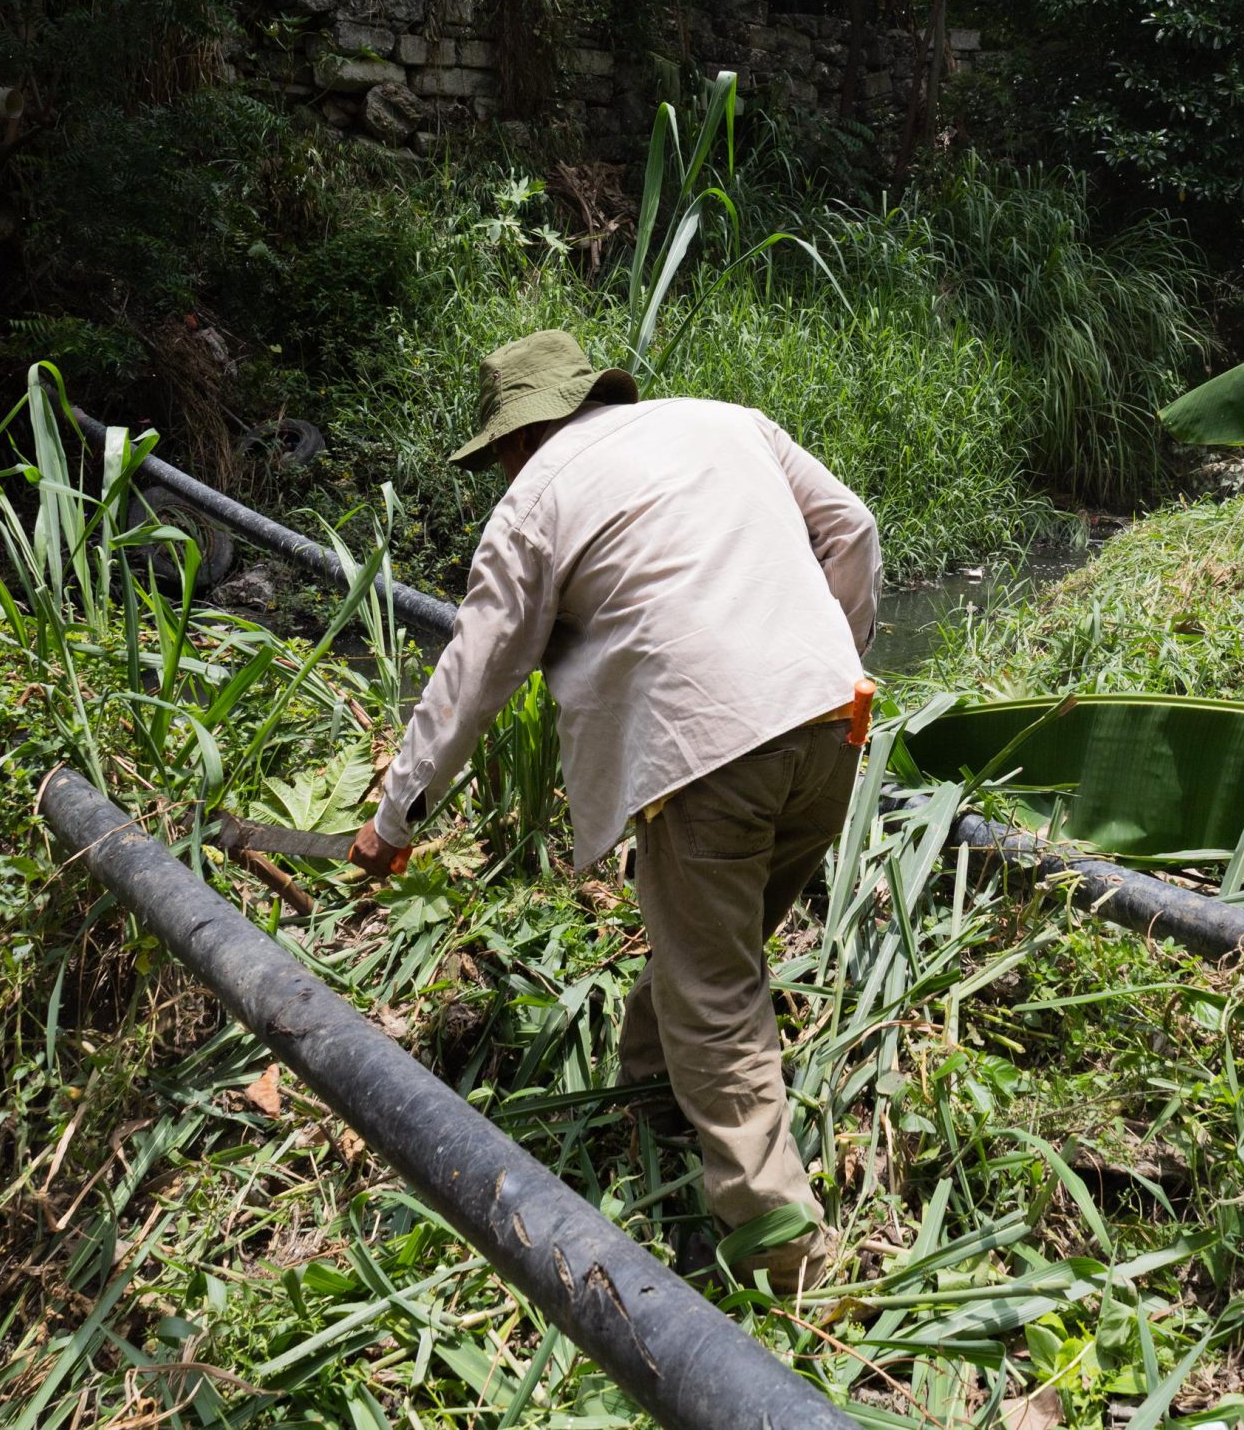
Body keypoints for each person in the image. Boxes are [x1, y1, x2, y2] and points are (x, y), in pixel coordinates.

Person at [347, 328, 880, 1295]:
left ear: (519, 436)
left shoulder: (533, 501)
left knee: (718, 995)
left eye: (500, 452)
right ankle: (648, 1092)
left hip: (709, 752)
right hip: (831, 721)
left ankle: (784, 1252)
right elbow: (852, 529)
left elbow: (473, 674)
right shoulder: (727, 421)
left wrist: (393, 822)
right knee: (714, 943)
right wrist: (825, 666)